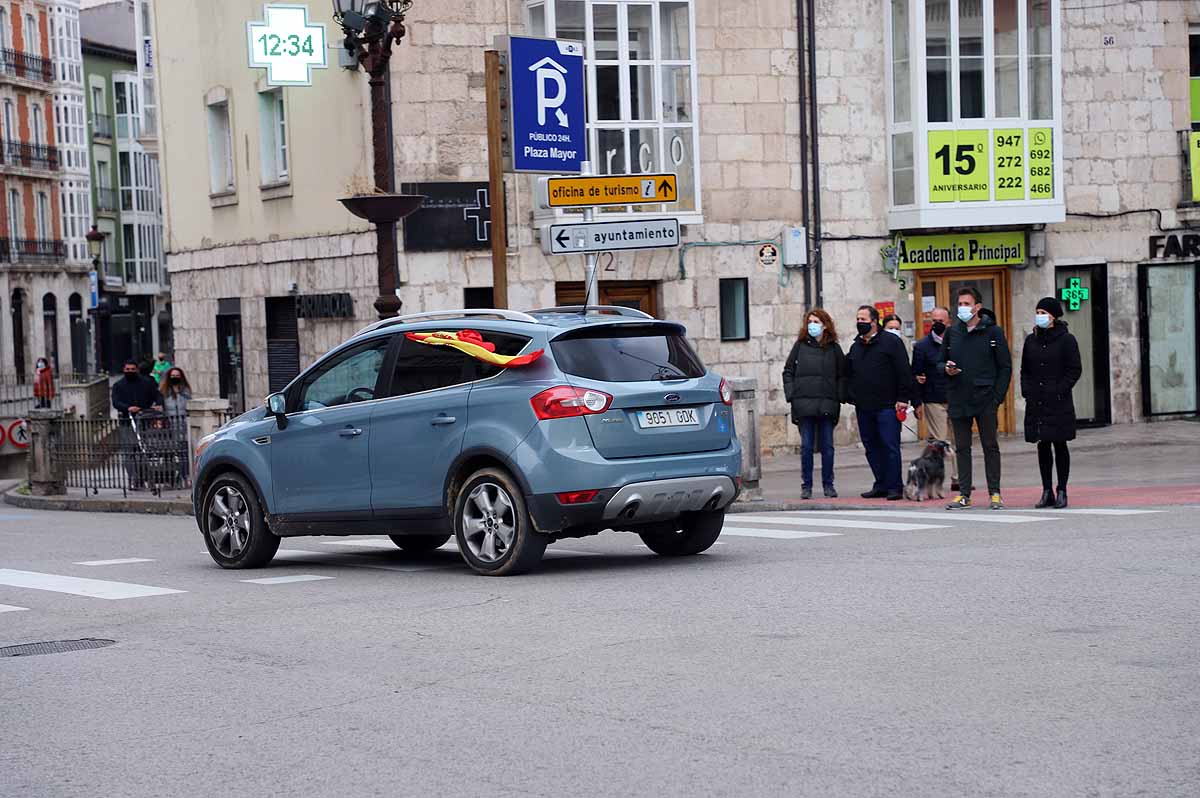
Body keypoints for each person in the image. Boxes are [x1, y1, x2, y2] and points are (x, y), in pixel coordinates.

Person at [939, 287, 1012, 510]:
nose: (962, 308)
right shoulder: (952, 333)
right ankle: (964, 494)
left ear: (977, 307)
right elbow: (940, 362)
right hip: (959, 397)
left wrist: (997, 398)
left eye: (966, 304)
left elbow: (1005, 367)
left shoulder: (993, 332)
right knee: (962, 447)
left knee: (990, 445)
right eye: (959, 304)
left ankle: (995, 493)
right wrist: (946, 368)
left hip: (985, 398)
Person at [1020, 297, 1082, 509]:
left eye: (1043, 312)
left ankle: (1062, 489)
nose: (1040, 316)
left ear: (1053, 316)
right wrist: (1027, 392)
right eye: (1037, 312)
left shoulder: (1067, 340)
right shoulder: (1031, 340)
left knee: (1060, 443)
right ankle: (1046, 490)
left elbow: (1074, 370)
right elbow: (1025, 370)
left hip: (1058, 401)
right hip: (1036, 401)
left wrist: (1059, 389)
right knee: (1042, 444)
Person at [846, 304, 912, 501]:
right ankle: (881, 483)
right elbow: (848, 372)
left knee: (889, 446)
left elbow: (903, 371)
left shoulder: (891, 342)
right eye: (858, 319)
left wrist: (903, 399)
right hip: (864, 406)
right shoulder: (856, 346)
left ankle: (895, 486)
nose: (860, 323)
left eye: (863, 320)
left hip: (888, 405)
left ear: (874, 322)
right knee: (871, 446)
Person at [782, 308, 846, 499]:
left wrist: (839, 396)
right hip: (804, 404)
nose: (812, 325)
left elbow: (842, 375)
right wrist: (791, 394)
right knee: (807, 447)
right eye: (810, 321)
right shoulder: (800, 346)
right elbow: (788, 371)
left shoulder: (834, 348)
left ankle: (829, 484)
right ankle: (806, 485)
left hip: (827, 403)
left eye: (816, 322)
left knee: (827, 447)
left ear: (825, 325)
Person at [911, 306, 957, 490]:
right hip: (933, 399)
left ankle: (958, 478)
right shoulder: (922, 347)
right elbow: (916, 374)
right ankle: (936, 478)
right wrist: (917, 402)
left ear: (949, 322)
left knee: (959, 440)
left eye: (941, 321)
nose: (937, 324)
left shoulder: (957, 342)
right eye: (934, 321)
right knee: (941, 441)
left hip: (956, 397)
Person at [113, 359, 164, 490]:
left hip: (144, 420)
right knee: (129, 451)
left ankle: (144, 478)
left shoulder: (146, 383)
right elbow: (116, 402)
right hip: (127, 421)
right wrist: (127, 407)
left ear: (137, 370)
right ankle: (133, 478)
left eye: (132, 369)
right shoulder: (118, 385)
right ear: (124, 370)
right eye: (127, 369)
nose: (130, 371)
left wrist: (158, 404)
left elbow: (157, 395)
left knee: (143, 450)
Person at [160, 366, 193, 484]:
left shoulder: (185, 391)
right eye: (173, 376)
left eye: (177, 376)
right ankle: (170, 477)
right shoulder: (164, 392)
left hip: (183, 425)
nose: (175, 378)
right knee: (169, 452)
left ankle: (185, 475)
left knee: (184, 452)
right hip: (170, 426)